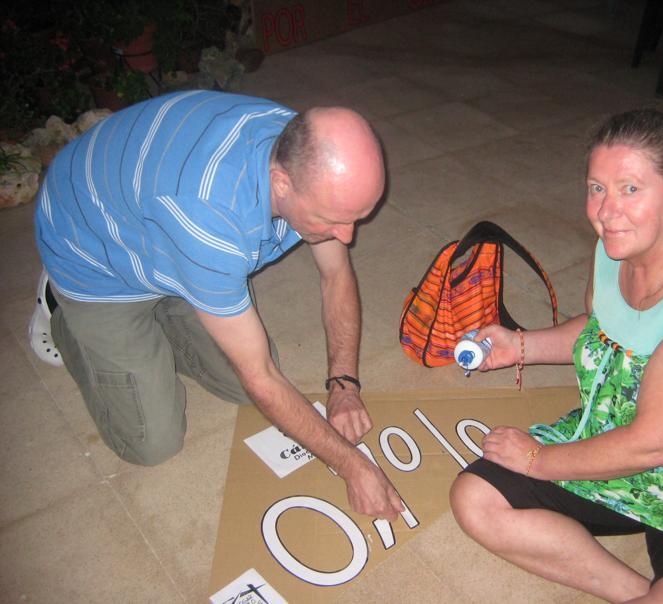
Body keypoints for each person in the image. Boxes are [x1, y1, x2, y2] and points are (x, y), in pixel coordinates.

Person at [450, 109, 663, 603]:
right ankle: (637, 591)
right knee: (475, 500)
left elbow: (657, 445)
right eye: (597, 188)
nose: (606, 211)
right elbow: (602, 333)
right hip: (611, 436)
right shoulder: (614, 246)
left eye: (630, 189)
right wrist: (519, 344)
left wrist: (538, 459)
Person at [32, 90, 403, 521]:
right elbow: (260, 378)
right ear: (281, 183)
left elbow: (335, 276)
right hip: (89, 250)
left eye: (356, 217)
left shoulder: (303, 148)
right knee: (154, 442)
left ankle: (177, 288)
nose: (348, 236)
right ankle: (60, 308)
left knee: (242, 383)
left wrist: (344, 385)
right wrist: (354, 467)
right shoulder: (211, 220)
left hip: (157, 226)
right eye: (333, 220)